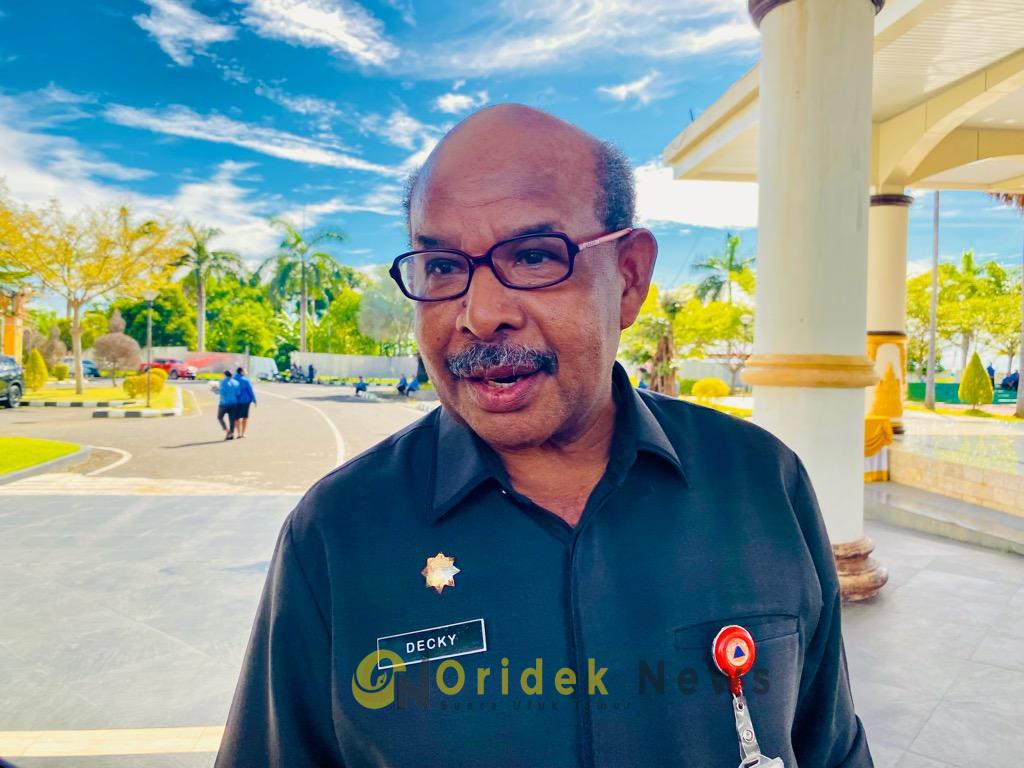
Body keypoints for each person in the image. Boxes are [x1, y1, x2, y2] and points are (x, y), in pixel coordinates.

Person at [217, 105, 872, 767]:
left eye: (533, 257)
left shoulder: (762, 485)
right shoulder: (339, 532)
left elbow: (832, 750)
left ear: (629, 277)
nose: (481, 315)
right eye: (441, 266)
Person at [216, 370, 239, 441]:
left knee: (220, 417)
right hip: (234, 402)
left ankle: (227, 431)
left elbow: (221, 392)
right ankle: (231, 433)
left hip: (224, 403)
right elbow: (238, 393)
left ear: (225, 374)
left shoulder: (222, 381)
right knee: (232, 419)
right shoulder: (236, 382)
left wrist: (214, 390)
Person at [234, 367, 256, 438]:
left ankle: (238, 433)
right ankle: (243, 433)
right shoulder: (245, 380)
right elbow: (250, 390)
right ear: (241, 372)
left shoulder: (233, 379)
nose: (246, 372)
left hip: (235, 401)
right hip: (245, 401)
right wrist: (254, 400)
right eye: (245, 371)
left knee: (236, 418)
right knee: (245, 417)